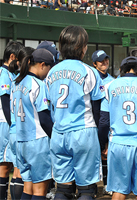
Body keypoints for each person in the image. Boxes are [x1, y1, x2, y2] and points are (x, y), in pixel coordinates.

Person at [46, 25, 104, 199]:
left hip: (59, 133)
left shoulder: (51, 73)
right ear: (83, 48)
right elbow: (97, 110)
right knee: (86, 189)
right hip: (83, 132)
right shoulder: (90, 72)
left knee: (63, 188)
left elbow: (50, 106)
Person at [97, 56, 137, 200]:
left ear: (120, 70)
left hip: (118, 144)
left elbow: (104, 121)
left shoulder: (110, 85)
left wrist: (101, 144)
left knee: (119, 191)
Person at [11, 47, 57, 200]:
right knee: (39, 190)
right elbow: (44, 119)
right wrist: (55, 138)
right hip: (37, 141)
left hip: (21, 141)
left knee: (28, 187)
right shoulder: (39, 84)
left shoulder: (16, 82)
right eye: (49, 68)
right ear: (42, 65)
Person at [0, 41, 24, 200]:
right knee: (5, 166)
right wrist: (12, 124)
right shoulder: (4, 73)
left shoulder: (12, 74)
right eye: (19, 60)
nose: (21, 64)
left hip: (8, 123)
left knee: (11, 165)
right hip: (5, 123)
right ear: (12, 57)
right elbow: (4, 98)